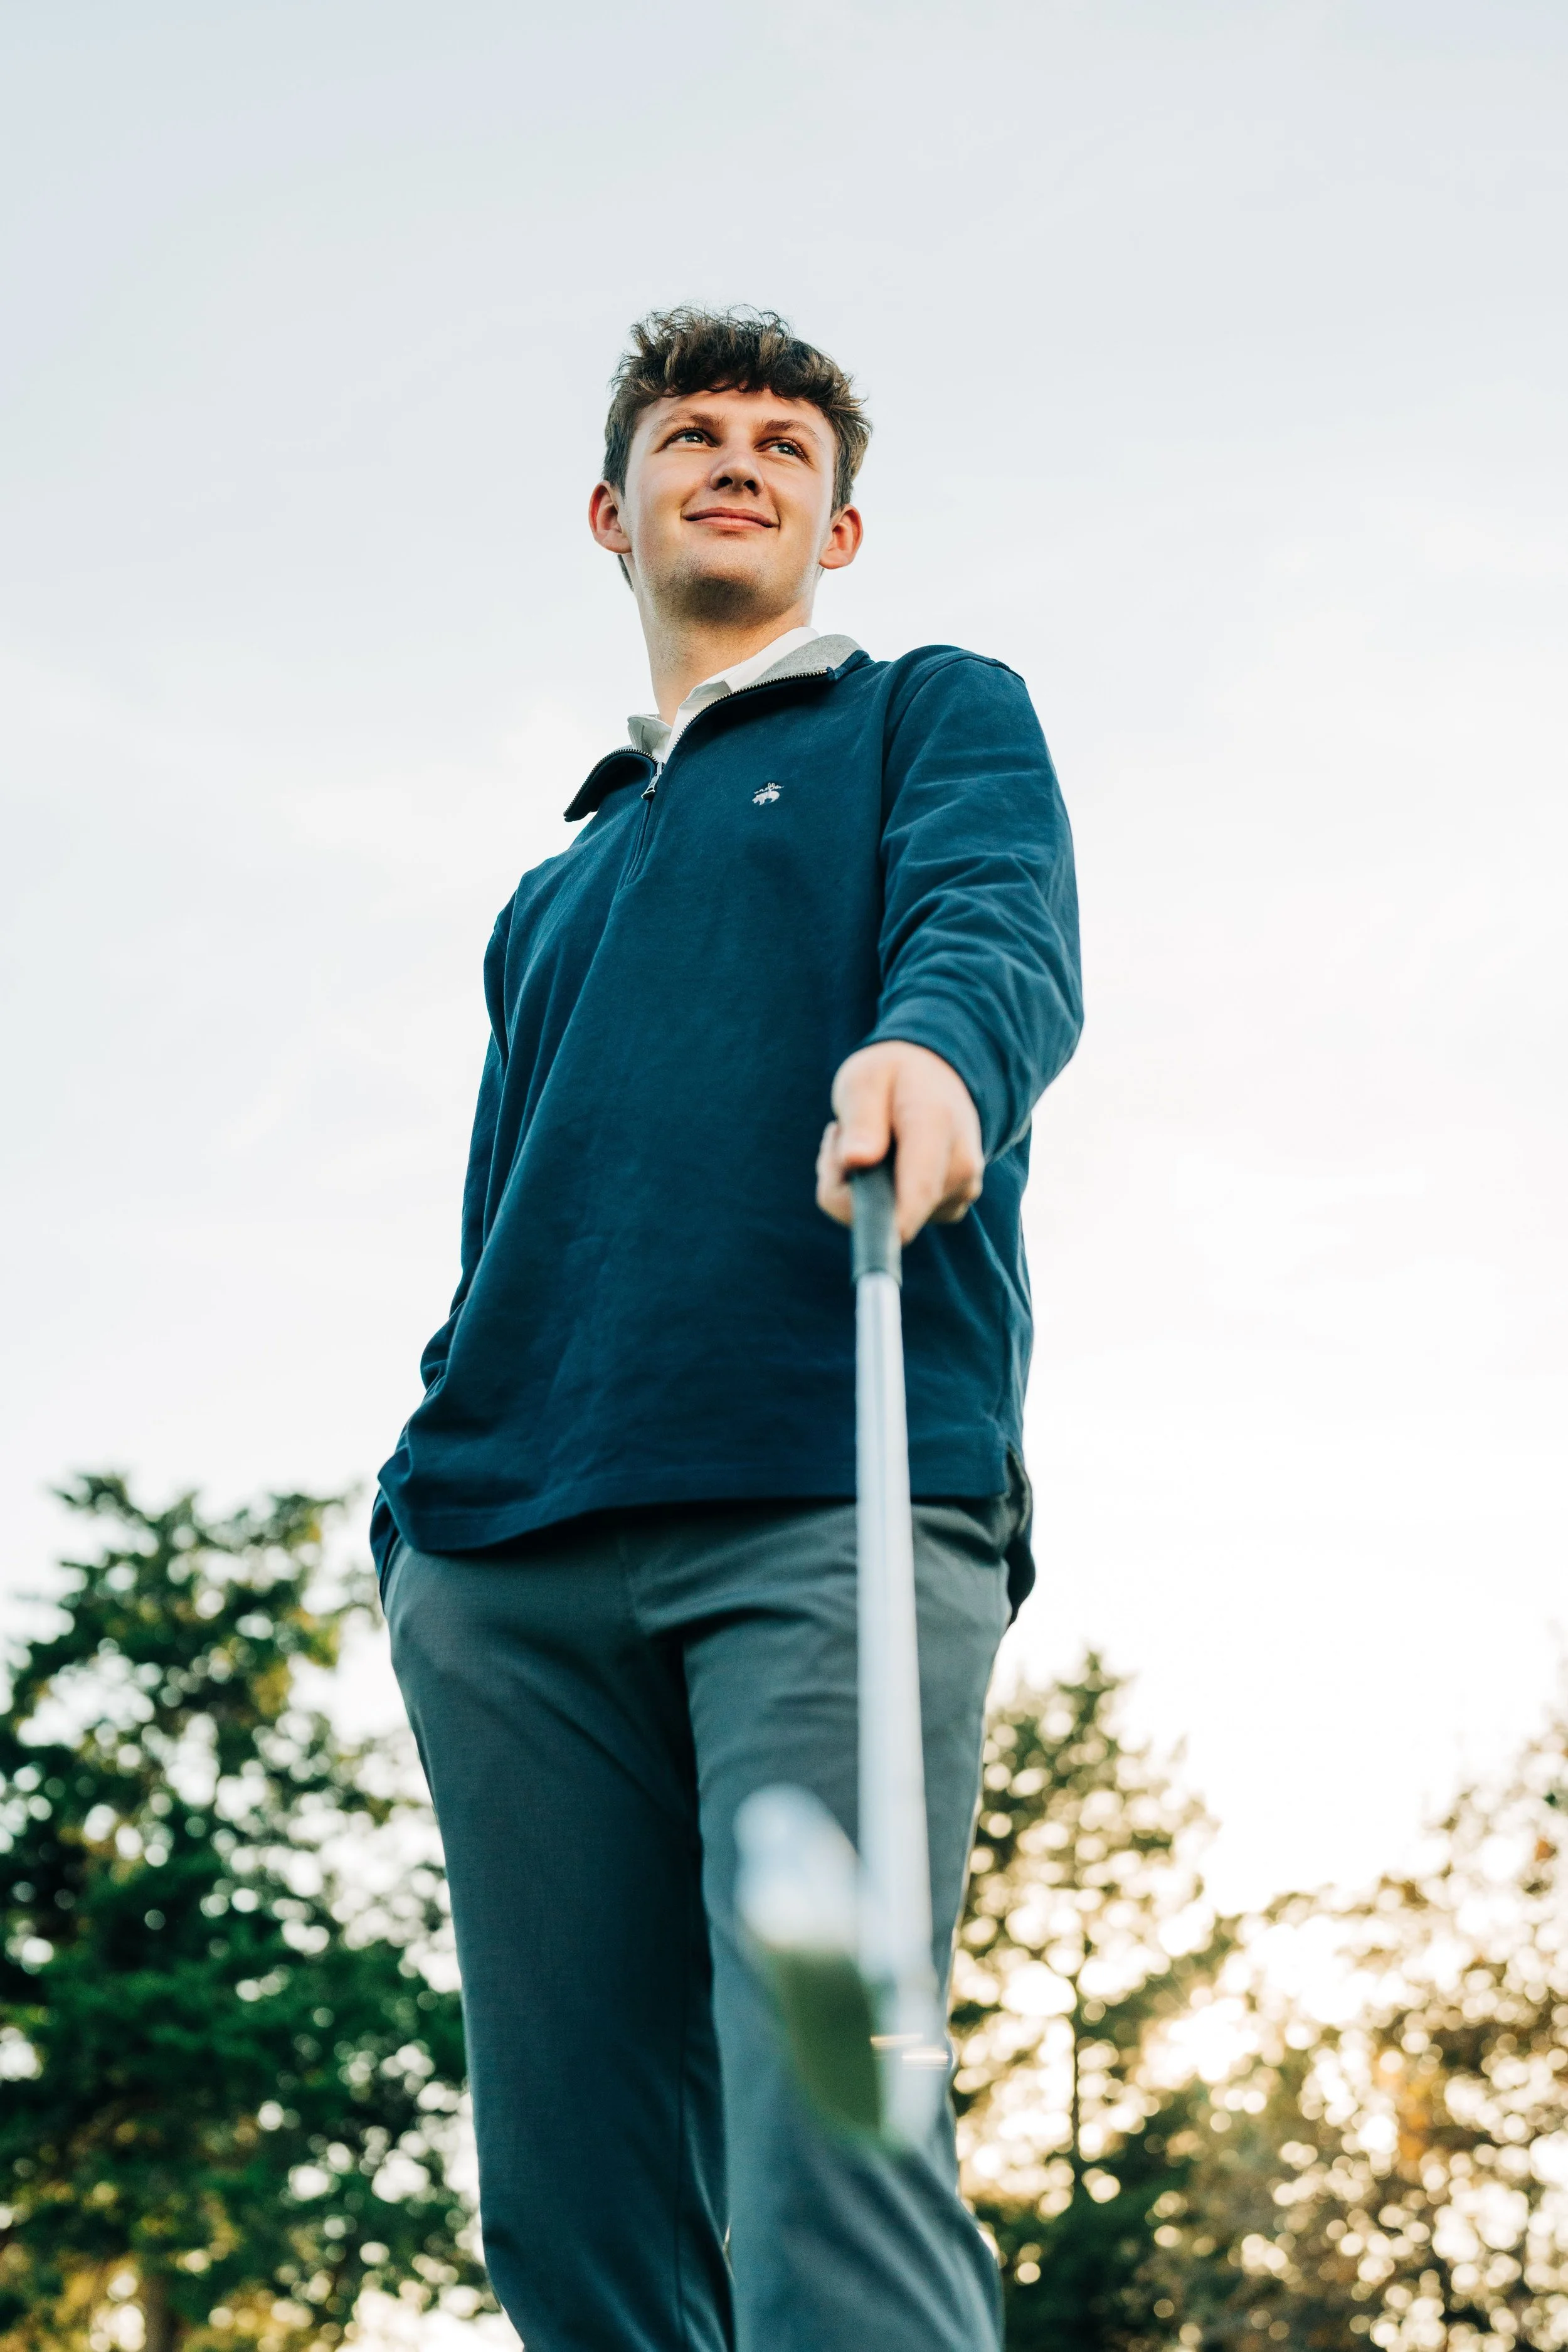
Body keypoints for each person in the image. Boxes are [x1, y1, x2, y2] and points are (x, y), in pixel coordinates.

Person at [373, 305, 1083, 2352]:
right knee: (573, 2203)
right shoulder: (556, 881)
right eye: (692, 434)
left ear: (837, 527)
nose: (739, 460)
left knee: (827, 2141)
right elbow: (505, 1209)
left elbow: (993, 921)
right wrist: (417, 1526)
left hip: (818, 1503)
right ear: (614, 510)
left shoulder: (925, 712)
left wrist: (942, 1059)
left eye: (785, 441)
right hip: (505, 1565)